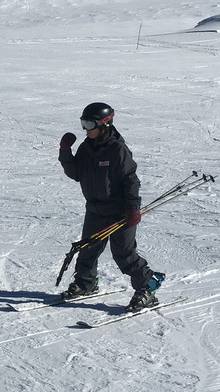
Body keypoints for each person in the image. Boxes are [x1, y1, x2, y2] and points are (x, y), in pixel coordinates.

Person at [58, 102, 164, 311]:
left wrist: (133, 208)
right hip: (95, 209)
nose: (86, 129)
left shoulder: (118, 149)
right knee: (88, 248)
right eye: (83, 123)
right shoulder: (86, 147)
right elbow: (77, 173)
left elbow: (131, 180)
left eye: (90, 124)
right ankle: (86, 283)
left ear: (105, 124)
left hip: (120, 212)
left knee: (124, 254)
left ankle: (148, 287)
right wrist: (65, 153)